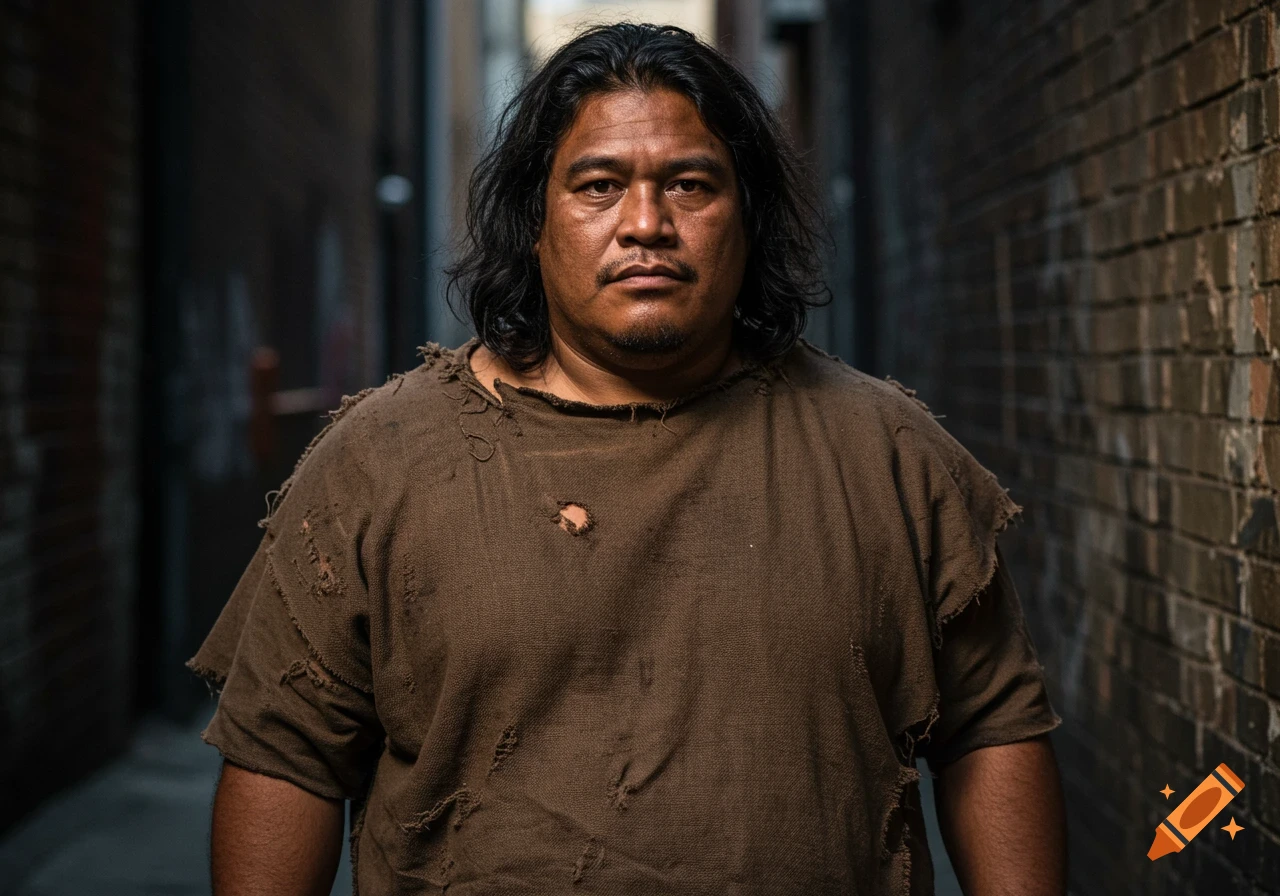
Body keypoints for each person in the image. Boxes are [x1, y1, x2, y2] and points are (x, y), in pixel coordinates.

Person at [191, 22, 1066, 896]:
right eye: (599, 185)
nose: (646, 225)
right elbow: (287, 759)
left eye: (690, 185)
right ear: (534, 222)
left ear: (748, 218)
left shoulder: (891, 457)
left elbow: (992, 731)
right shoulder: (378, 464)